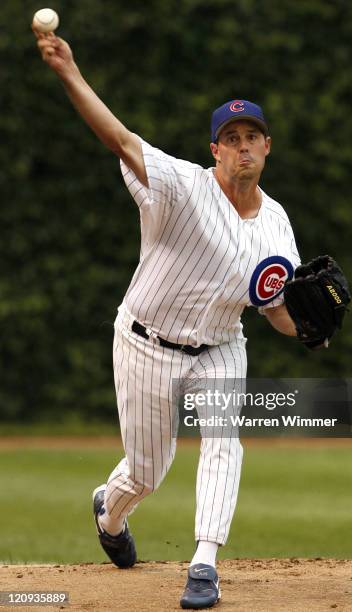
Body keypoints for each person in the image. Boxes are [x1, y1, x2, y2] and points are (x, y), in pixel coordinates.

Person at [34, 29, 301, 610]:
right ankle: (110, 509)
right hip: (146, 342)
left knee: (224, 442)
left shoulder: (278, 224)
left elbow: (276, 308)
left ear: (267, 146)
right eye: (231, 138)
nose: (243, 146)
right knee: (148, 470)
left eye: (252, 136)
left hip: (222, 345)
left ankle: (203, 564)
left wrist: (306, 328)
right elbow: (120, 139)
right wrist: (68, 72)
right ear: (215, 150)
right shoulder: (180, 185)